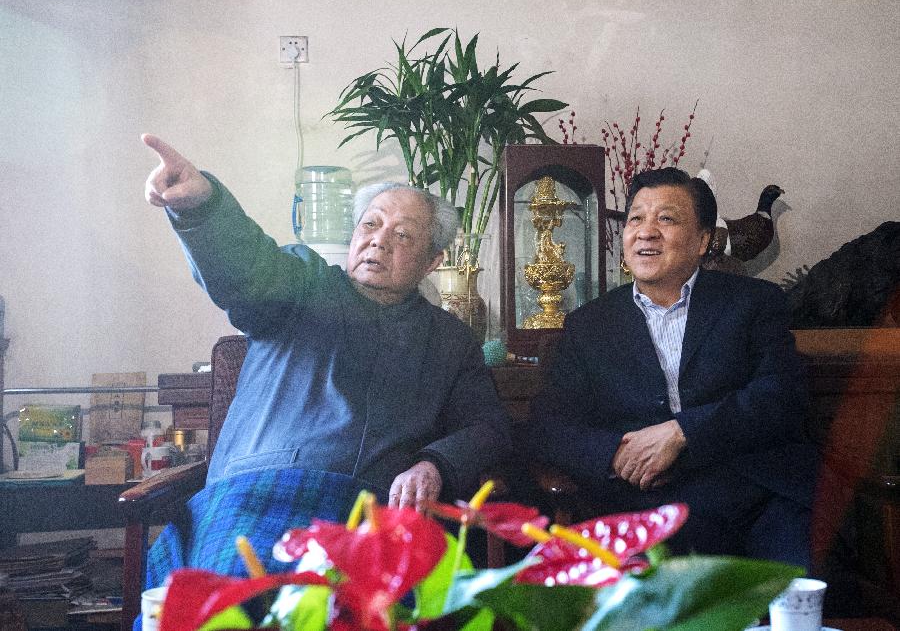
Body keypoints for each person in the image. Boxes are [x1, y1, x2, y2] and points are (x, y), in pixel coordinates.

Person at [139, 134, 511, 580]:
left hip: (368, 514)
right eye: (370, 225)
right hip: (255, 500)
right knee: (233, 604)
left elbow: (487, 427)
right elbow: (246, 269)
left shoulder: (450, 340)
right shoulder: (301, 284)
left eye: (404, 235)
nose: (379, 241)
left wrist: (435, 464)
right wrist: (202, 207)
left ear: (433, 261)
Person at [524, 167, 818, 570]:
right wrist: (616, 454)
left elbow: (780, 396)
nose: (646, 232)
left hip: (753, 494)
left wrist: (683, 432)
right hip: (642, 502)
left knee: (800, 590)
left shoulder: (753, 303)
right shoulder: (589, 326)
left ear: (703, 241)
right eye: (636, 219)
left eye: (666, 218)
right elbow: (547, 423)